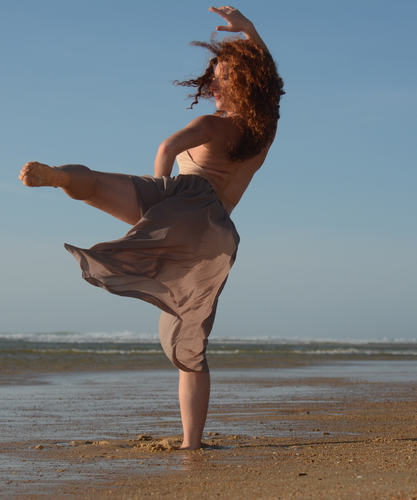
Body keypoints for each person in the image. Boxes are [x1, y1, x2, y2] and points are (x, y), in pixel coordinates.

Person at [18, 6, 283, 450]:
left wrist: (157, 195)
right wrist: (252, 33)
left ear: (241, 82)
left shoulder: (211, 125)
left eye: (221, 77)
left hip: (185, 200)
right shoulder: (264, 131)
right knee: (187, 342)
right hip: (217, 235)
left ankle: (61, 176)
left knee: (99, 184)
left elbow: (166, 147)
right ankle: (191, 443)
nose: (214, 84)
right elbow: (272, 85)